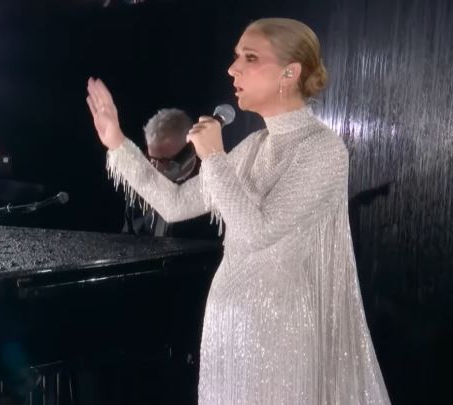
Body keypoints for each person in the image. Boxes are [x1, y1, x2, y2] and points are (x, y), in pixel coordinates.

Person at [86, 17, 390, 405]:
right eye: (235, 57)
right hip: (227, 328)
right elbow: (176, 204)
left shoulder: (322, 150)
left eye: (250, 57)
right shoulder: (253, 146)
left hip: (279, 334)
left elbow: (259, 231)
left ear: (290, 72)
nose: (233, 69)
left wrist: (214, 156)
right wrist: (117, 143)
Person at [122, 108, 218, 239]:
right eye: (151, 158)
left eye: (163, 161)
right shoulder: (141, 182)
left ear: (190, 152)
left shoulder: (212, 189)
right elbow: (127, 239)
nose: (154, 168)